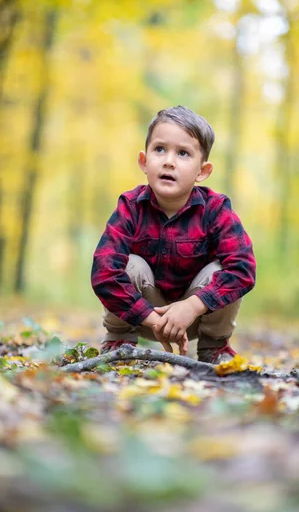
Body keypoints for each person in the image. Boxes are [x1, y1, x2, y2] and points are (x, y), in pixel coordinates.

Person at [91, 106, 256, 364]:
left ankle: (214, 347)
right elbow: (104, 272)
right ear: (144, 162)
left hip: (197, 316)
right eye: (160, 149)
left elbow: (243, 269)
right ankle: (119, 340)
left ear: (202, 171)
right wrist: (153, 319)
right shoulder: (131, 207)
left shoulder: (216, 210)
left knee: (220, 269)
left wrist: (191, 306)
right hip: (142, 314)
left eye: (183, 153)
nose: (169, 160)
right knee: (130, 265)